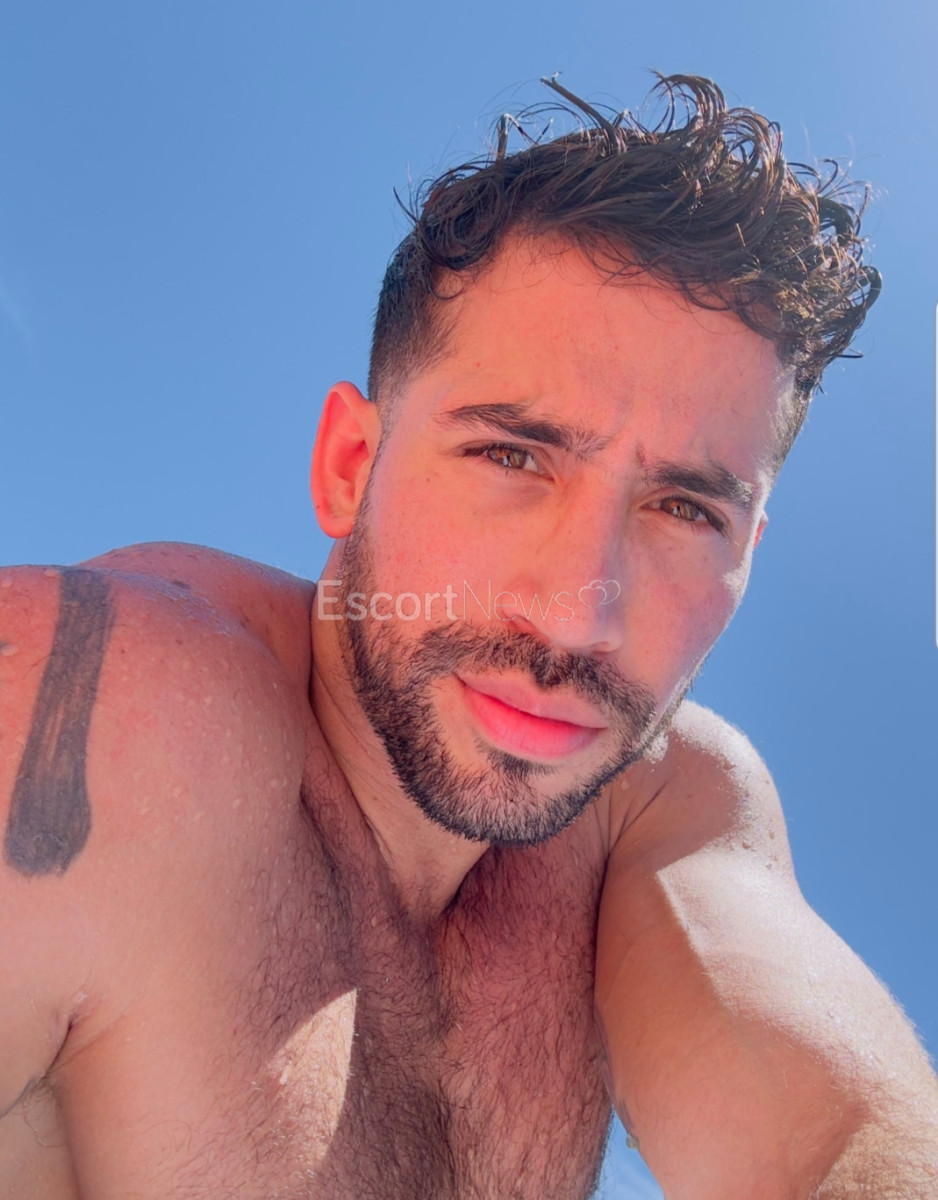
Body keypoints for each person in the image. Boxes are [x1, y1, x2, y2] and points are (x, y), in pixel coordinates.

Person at [1, 72, 935, 1199]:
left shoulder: (658, 801)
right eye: (511, 455)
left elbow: (829, 1142)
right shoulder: (99, 701)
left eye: (686, 510)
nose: (577, 614)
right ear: (350, 466)